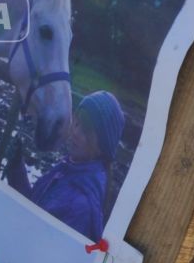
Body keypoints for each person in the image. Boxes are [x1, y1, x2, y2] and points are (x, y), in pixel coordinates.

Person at [13, 90, 123, 239]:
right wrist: (15, 168)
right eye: (77, 123)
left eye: (86, 130)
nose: (76, 132)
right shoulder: (68, 169)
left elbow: (36, 245)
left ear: (102, 146)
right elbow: (32, 210)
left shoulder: (82, 207)